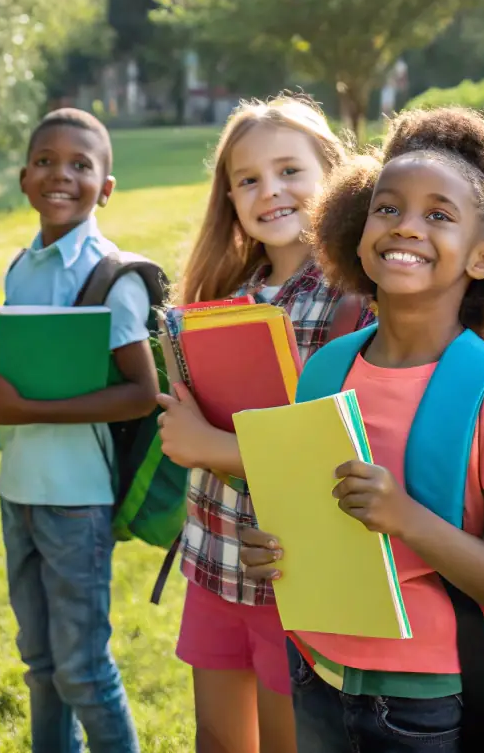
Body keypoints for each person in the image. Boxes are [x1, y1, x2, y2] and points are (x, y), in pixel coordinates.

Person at [240, 106, 484, 753]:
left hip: (425, 704)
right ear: (356, 222)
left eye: (439, 214)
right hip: (315, 671)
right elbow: (312, 522)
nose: (407, 226)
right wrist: (273, 549)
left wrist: (406, 517)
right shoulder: (326, 368)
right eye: (388, 207)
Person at [156, 95, 371, 753]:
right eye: (247, 179)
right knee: (218, 738)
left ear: (331, 174)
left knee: (290, 742)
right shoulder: (229, 291)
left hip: (294, 565)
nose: (268, 190)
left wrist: (208, 445)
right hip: (215, 553)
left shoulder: (352, 300)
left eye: (288, 171)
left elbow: (337, 452)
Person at [0, 108, 159, 753]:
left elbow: (142, 394)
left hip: (77, 498)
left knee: (82, 669)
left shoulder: (111, 277)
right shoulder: (20, 268)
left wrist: (24, 410)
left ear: (106, 187)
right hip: (18, 488)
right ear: (25, 179)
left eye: (81, 165)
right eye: (47, 162)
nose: (62, 175)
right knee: (41, 665)